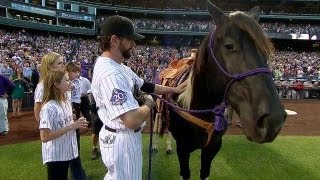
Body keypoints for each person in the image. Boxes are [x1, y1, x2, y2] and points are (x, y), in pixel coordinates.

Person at [92, 15, 186, 180]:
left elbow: (147, 86)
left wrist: (174, 88)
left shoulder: (118, 66)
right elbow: (132, 120)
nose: (134, 44)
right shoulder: (110, 74)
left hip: (122, 138)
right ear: (114, 40)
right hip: (122, 141)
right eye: (130, 40)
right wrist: (149, 102)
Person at [34, 52, 87, 180]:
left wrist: (69, 118)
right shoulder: (43, 89)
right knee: (61, 168)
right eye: (60, 63)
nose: (63, 65)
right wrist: (57, 124)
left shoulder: (63, 92)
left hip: (67, 134)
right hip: (56, 140)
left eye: (63, 62)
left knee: (73, 159)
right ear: (49, 66)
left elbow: (65, 108)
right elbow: (40, 116)